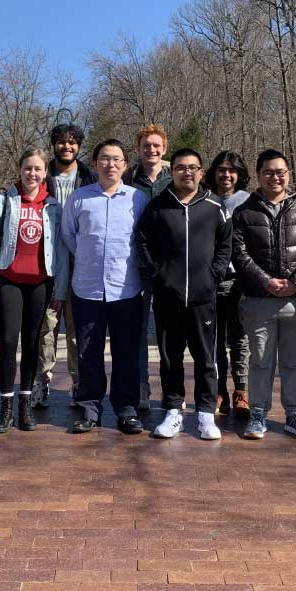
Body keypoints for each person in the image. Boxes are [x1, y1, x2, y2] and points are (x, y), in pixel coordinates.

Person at [137, 148, 231, 441]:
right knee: (170, 358)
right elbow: (142, 242)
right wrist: (158, 274)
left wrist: (214, 275)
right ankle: (173, 410)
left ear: (202, 172)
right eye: (180, 167)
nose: (186, 172)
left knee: (206, 358)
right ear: (172, 171)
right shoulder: (157, 206)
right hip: (168, 297)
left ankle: (204, 413)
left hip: (204, 297)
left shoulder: (214, 206)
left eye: (192, 167)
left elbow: (225, 245)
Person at [231, 149, 296, 442]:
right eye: (268, 172)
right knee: (260, 361)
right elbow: (240, 254)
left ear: (288, 175)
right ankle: (258, 413)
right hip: (259, 301)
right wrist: (267, 282)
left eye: (280, 171)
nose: (275, 177)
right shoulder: (245, 212)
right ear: (258, 176)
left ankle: (294, 414)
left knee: (294, 361)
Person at [0, 147, 69, 433]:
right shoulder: (3, 203)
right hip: (10, 281)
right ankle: (5, 407)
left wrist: (60, 289)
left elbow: (62, 251)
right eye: (27, 168)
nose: (32, 173)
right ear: (20, 169)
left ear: (45, 173)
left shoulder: (54, 207)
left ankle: (25, 404)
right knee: (8, 341)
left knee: (32, 343)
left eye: (38, 169)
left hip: (41, 284)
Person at [62, 139, 150, 435]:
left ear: (125, 165)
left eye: (116, 159)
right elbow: (70, 238)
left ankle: (126, 409)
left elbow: (142, 241)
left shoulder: (138, 199)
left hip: (126, 289)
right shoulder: (79, 199)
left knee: (126, 352)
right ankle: (89, 408)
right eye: (104, 158)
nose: (110, 164)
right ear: (96, 162)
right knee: (88, 352)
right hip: (87, 289)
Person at [36, 123, 97, 409]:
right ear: (54, 145)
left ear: (79, 146)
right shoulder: (39, 175)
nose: (67, 147)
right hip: (46, 264)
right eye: (61, 142)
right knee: (46, 328)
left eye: (72, 142)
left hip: (79, 265)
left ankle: (77, 383)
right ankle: (41, 383)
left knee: (77, 330)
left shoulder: (89, 178)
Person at [122, 123, 171, 413]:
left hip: (168, 268)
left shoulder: (173, 179)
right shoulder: (128, 180)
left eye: (156, 146)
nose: (151, 150)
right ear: (138, 150)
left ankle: (170, 389)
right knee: (137, 330)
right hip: (135, 265)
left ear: (164, 148)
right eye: (145, 146)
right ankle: (141, 387)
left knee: (167, 330)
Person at [204, 150, 251, 420]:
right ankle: (219, 389)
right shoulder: (206, 200)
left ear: (240, 174)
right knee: (214, 340)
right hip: (212, 280)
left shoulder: (248, 202)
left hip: (241, 280)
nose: (226, 175)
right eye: (221, 169)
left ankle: (241, 391)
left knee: (240, 339)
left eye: (231, 170)